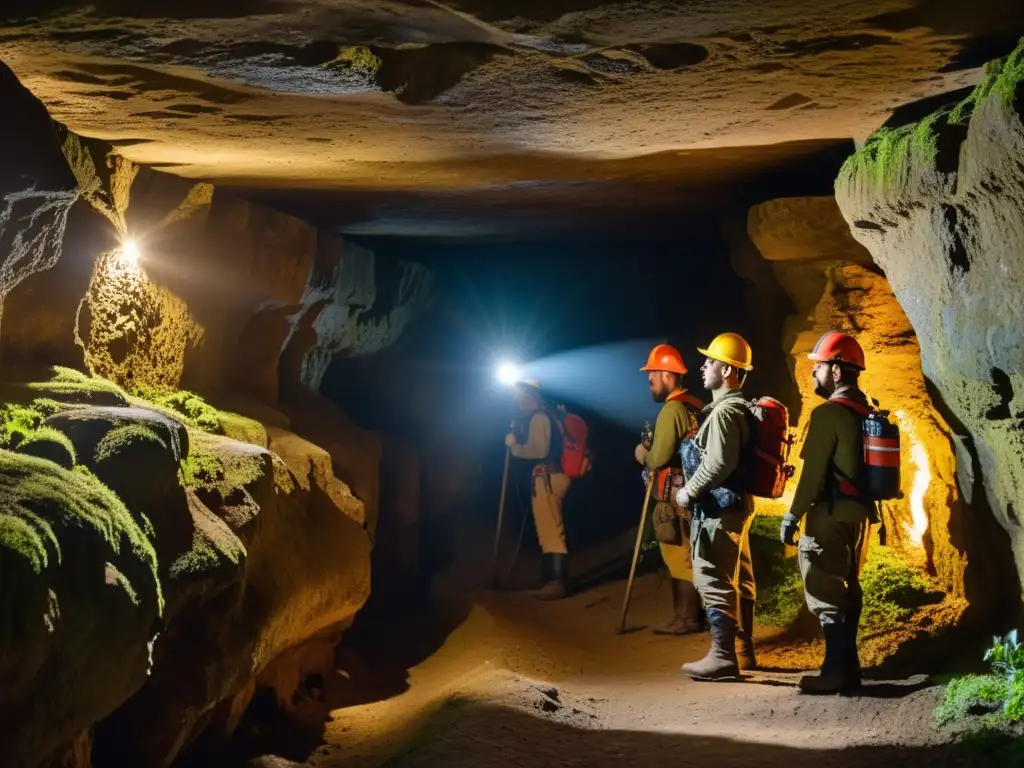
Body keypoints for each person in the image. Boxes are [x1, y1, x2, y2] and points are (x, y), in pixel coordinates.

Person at [780, 331, 873, 694]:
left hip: (830, 515)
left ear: (836, 371)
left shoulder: (828, 414)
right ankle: (850, 670)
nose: (813, 375)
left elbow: (813, 475)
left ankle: (834, 673)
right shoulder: (868, 410)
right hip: (861, 515)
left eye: (818, 368)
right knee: (850, 591)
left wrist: (792, 516)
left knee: (826, 590)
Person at [674, 332, 758, 679]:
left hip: (719, 510)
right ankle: (741, 651)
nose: (703, 365)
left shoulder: (725, 412)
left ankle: (723, 656)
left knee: (712, 576)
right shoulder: (734, 409)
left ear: (727, 370)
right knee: (735, 577)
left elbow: (719, 463)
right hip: (733, 505)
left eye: (710, 361)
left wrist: (687, 493)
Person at [634, 344, 705, 635]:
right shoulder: (696, 405)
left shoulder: (672, 408)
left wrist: (642, 454)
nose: (649, 379)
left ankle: (687, 619)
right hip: (695, 491)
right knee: (688, 555)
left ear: (667, 374)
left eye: (652, 375)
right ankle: (685, 616)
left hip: (675, 497)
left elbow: (659, 458)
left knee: (678, 557)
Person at [505, 379, 571, 600]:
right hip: (549, 478)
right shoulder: (548, 415)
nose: (517, 398)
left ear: (529, 394)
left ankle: (557, 582)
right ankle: (548, 578)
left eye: (519, 393)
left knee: (552, 530)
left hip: (549, 478)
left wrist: (515, 447)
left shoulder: (540, 417)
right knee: (547, 530)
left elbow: (539, 449)